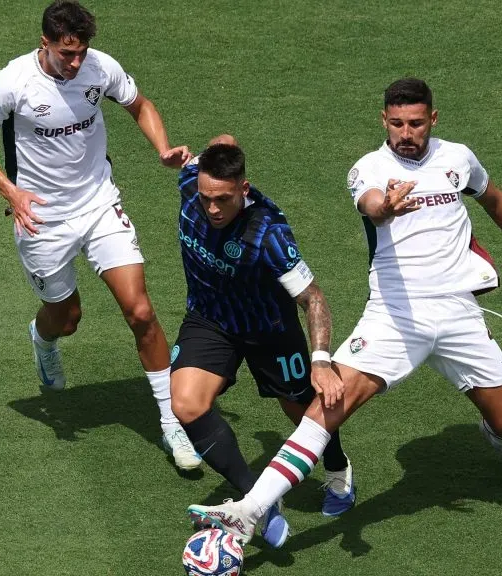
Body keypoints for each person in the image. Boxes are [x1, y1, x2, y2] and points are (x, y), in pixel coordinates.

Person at [187, 77, 502, 542]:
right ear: (384, 120)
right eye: (397, 123)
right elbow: (373, 206)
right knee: (328, 404)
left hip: (459, 312)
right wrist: (389, 207)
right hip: (395, 317)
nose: (407, 132)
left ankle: (496, 433)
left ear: (433, 120)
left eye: (416, 123)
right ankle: (249, 509)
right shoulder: (368, 169)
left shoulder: (458, 158)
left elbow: (494, 198)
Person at [0, 0, 200, 470]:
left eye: (81, 52)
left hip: (98, 204)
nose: (75, 63)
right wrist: (12, 190)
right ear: (44, 42)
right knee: (66, 318)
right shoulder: (11, 83)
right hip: (42, 219)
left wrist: (163, 148)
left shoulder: (99, 68)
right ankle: (43, 341)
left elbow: (140, 104)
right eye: (66, 53)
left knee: (142, 312)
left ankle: (172, 423)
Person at [169, 136, 351, 547]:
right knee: (186, 404)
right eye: (206, 198)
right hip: (210, 320)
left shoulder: (269, 234)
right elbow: (220, 144)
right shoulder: (190, 182)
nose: (212, 209)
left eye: (224, 200)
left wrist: (321, 360)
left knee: (303, 412)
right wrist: (213, 146)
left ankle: (338, 471)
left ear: (244, 190)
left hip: (269, 329)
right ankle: (259, 502)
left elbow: (313, 298)